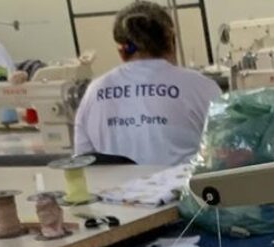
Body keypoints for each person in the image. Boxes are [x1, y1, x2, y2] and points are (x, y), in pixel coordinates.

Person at [73, 1, 221, 165]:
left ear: (122, 51)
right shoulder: (201, 88)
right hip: (182, 189)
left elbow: (84, 163)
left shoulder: (94, 92)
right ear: (171, 41)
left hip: (112, 190)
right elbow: (228, 154)